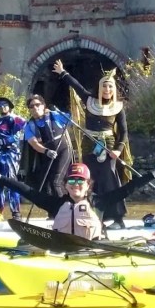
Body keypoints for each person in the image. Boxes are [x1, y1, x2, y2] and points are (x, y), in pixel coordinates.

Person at [0, 157, 155, 236]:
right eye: (72, 181)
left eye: (80, 181)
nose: (76, 185)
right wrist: (1, 178)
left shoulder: (100, 201)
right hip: (61, 251)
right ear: (66, 185)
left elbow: (129, 188)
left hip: (92, 252)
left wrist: (154, 173)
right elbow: (27, 191)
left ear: (88, 185)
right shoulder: (56, 204)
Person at [53, 60, 130, 228]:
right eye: (104, 86)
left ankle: (117, 218)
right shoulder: (89, 100)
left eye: (110, 87)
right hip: (89, 145)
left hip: (108, 147)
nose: (107, 90)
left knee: (109, 180)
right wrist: (63, 72)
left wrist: (118, 150)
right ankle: (91, 214)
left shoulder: (118, 107)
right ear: (100, 87)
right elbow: (77, 86)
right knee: (89, 179)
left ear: (114, 90)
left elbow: (123, 132)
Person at [23, 94, 73, 200]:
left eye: (37, 104)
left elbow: (73, 119)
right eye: (31, 106)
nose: (35, 108)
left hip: (63, 150)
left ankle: (63, 207)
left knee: (56, 181)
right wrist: (46, 151)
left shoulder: (54, 115)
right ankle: (53, 210)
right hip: (47, 154)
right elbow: (34, 143)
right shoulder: (29, 125)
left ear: (43, 105)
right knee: (47, 183)